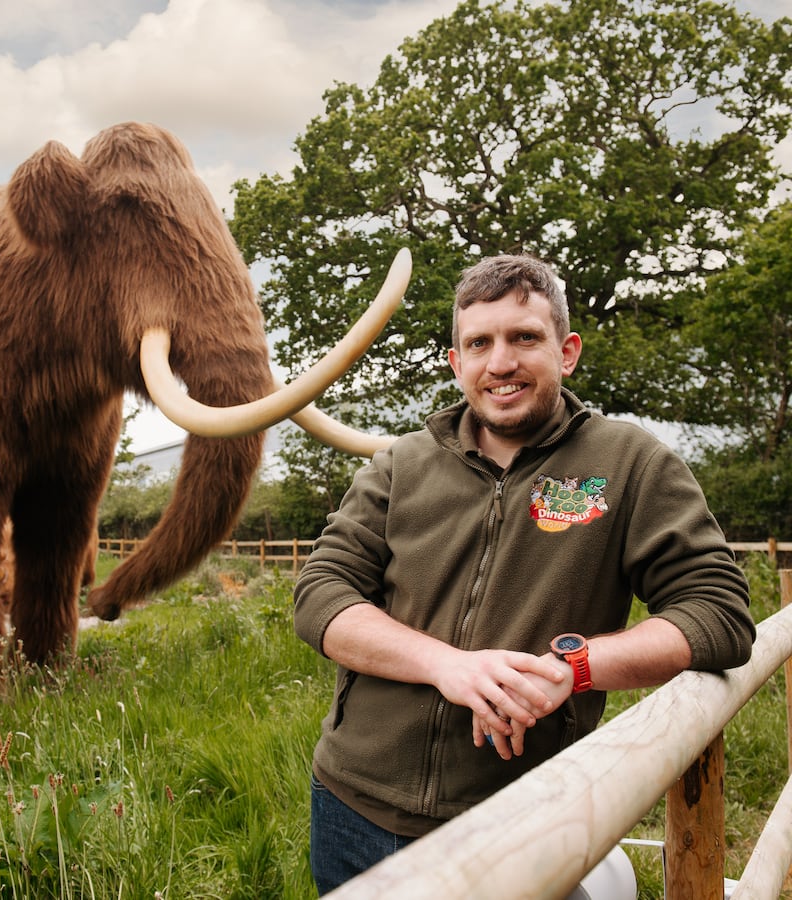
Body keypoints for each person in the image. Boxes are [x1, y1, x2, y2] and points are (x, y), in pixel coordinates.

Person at [293, 254, 755, 895]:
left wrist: (574, 668)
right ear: (457, 363)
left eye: (523, 338)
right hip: (353, 807)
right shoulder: (400, 465)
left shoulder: (630, 464)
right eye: (478, 343)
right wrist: (449, 665)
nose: (500, 362)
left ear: (567, 352)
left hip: (524, 818)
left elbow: (718, 614)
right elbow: (321, 593)